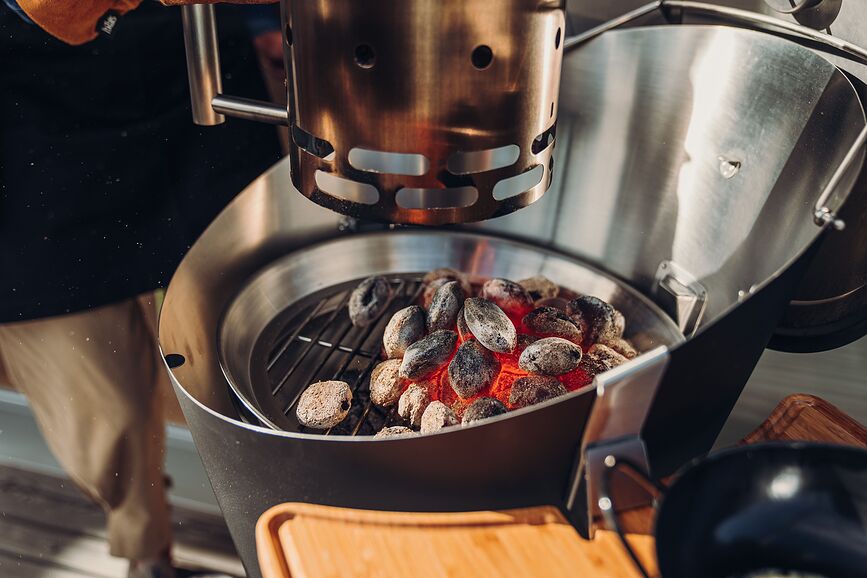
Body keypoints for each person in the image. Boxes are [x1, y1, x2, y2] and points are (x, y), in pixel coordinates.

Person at [0, 1, 281, 576]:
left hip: (195, 78)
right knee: (103, 407)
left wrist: (273, 22)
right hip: (30, 128)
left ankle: (282, 535)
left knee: (255, 349)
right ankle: (147, 555)